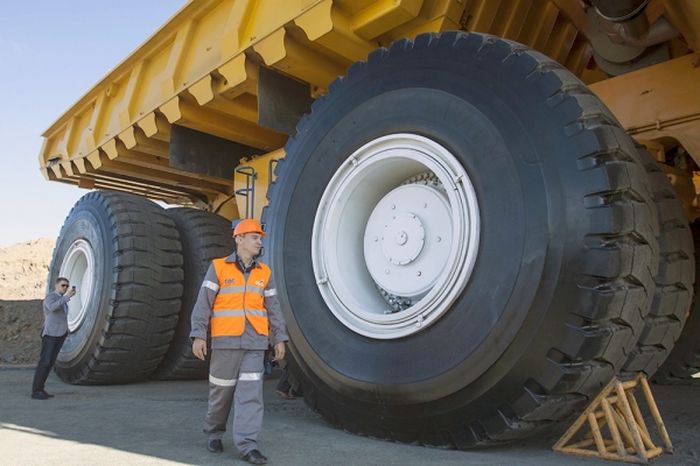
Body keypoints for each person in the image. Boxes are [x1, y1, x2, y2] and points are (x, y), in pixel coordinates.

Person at [190, 218, 288, 465]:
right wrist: (199, 334)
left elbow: (273, 308)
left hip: (255, 344)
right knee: (221, 394)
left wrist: (279, 338)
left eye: (260, 237)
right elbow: (204, 304)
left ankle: (248, 445)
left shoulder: (264, 273)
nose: (259, 241)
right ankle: (214, 432)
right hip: (225, 343)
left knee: (251, 396)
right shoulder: (219, 267)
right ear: (239, 239)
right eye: (254, 237)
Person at [31, 277, 75, 399]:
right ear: (56, 285)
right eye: (63, 285)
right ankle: (36, 391)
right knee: (44, 362)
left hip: (59, 334)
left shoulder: (62, 299)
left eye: (67, 286)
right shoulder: (51, 297)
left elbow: (62, 317)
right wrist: (66, 298)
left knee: (49, 363)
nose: (65, 288)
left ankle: (41, 389)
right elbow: (51, 308)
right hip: (50, 334)